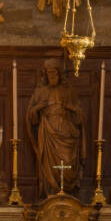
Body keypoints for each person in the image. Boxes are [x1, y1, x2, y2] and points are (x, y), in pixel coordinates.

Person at [26, 57, 84, 196]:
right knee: (49, 165)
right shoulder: (40, 92)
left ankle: (68, 191)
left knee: (68, 161)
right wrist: (38, 107)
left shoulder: (68, 91)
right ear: (45, 75)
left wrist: (70, 107)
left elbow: (80, 116)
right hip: (47, 131)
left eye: (54, 73)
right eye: (49, 73)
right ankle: (50, 191)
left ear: (59, 74)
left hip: (66, 131)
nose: (51, 76)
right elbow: (31, 117)